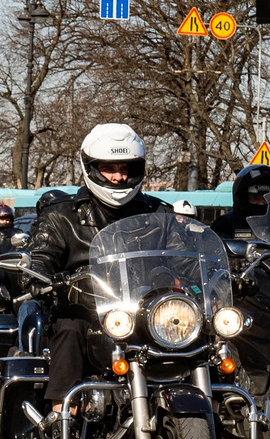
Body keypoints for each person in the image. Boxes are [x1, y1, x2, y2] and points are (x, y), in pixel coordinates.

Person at [24, 125, 168, 399]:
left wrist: (220, 275)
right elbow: (42, 254)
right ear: (91, 168)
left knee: (196, 331)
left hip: (145, 310)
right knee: (71, 325)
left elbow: (187, 258)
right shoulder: (62, 215)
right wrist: (37, 274)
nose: (118, 176)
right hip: (87, 309)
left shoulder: (159, 214)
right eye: (109, 168)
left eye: (126, 168)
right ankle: (62, 408)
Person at [212, 163, 270, 245]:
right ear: (241, 198)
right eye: (255, 198)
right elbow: (214, 249)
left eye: (266, 199)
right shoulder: (224, 225)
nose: (260, 203)